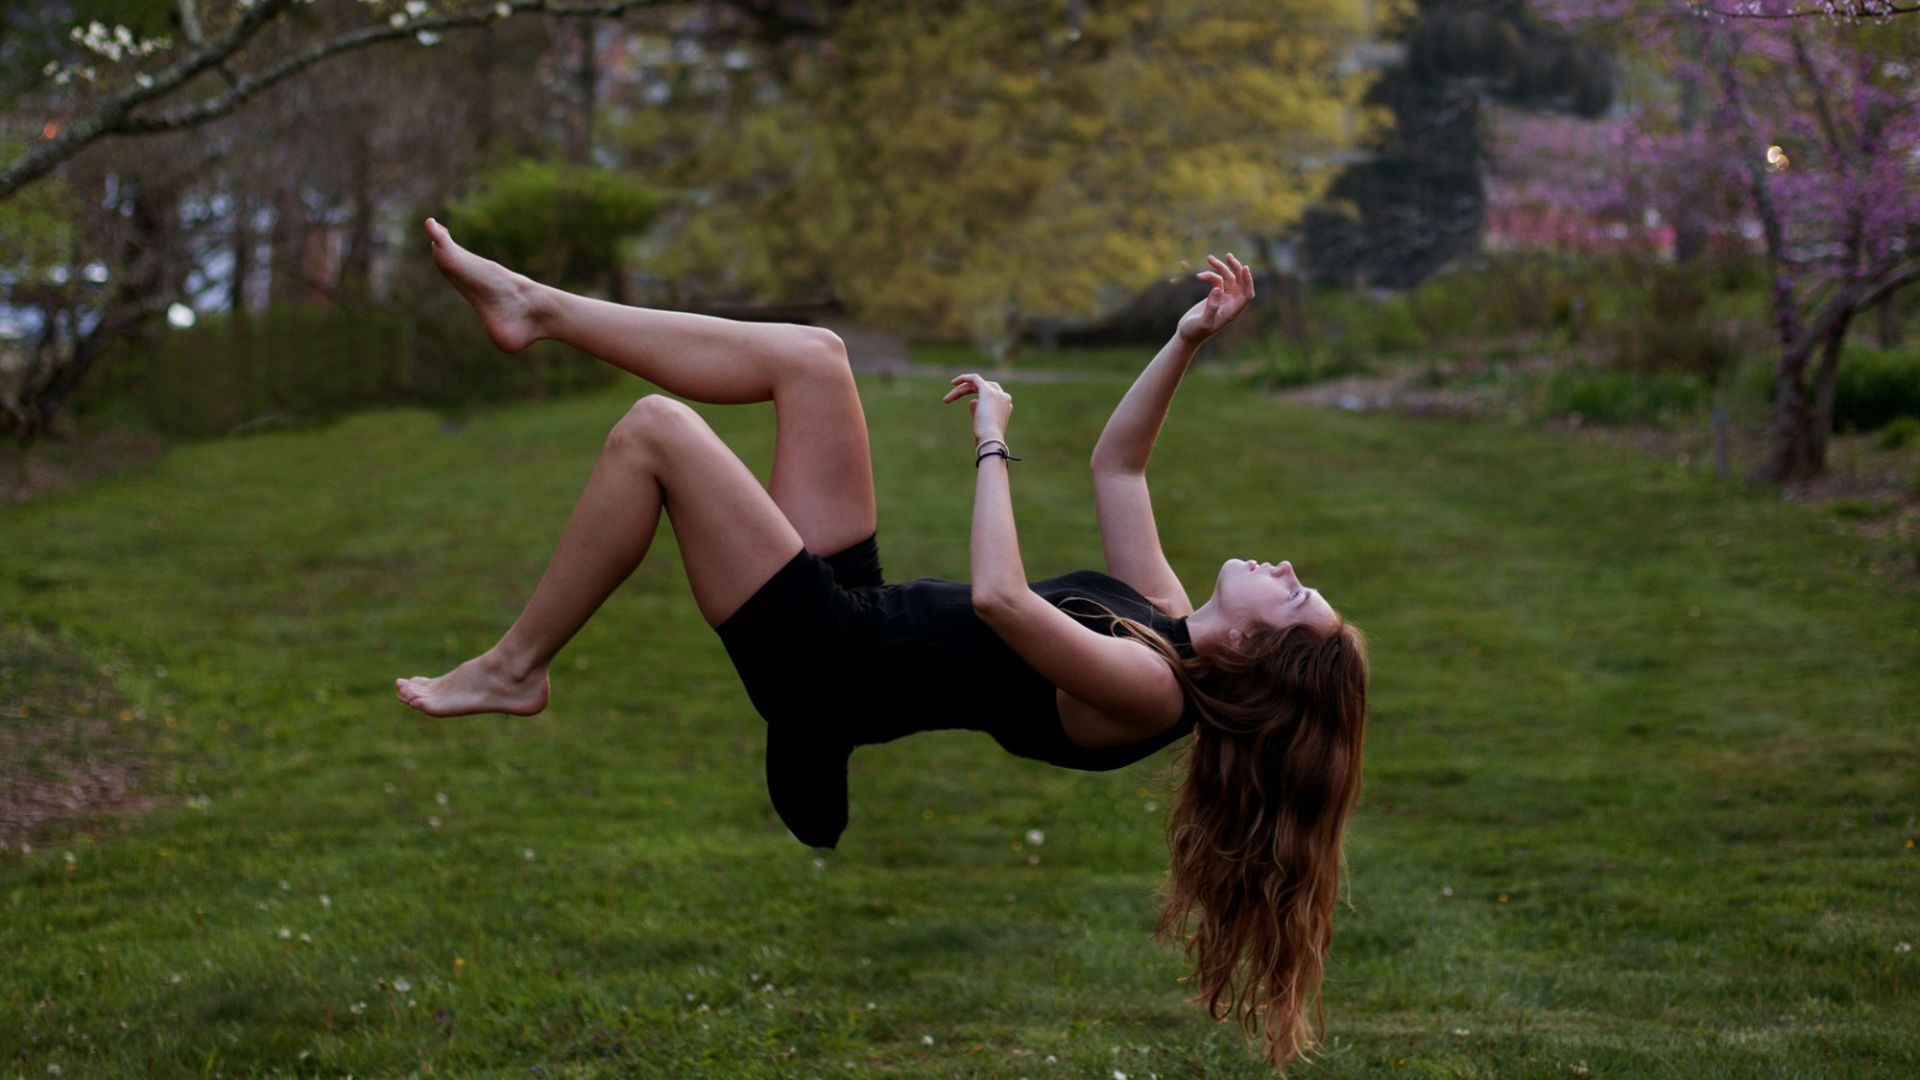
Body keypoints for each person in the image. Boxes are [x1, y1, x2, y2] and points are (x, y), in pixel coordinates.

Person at [394, 220, 1369, 1070]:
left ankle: (517, 668)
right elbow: (1119, 463)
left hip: (826, 665)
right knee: (815, 356)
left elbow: (1000, 600)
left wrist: (992, 440)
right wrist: (1185, 339)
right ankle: (533, 307)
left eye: (1295, 595)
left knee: (658, 433)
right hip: (855, 612)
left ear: (1252, 650)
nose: (1285, 568)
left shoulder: (1150, 690)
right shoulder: (1162, 616)